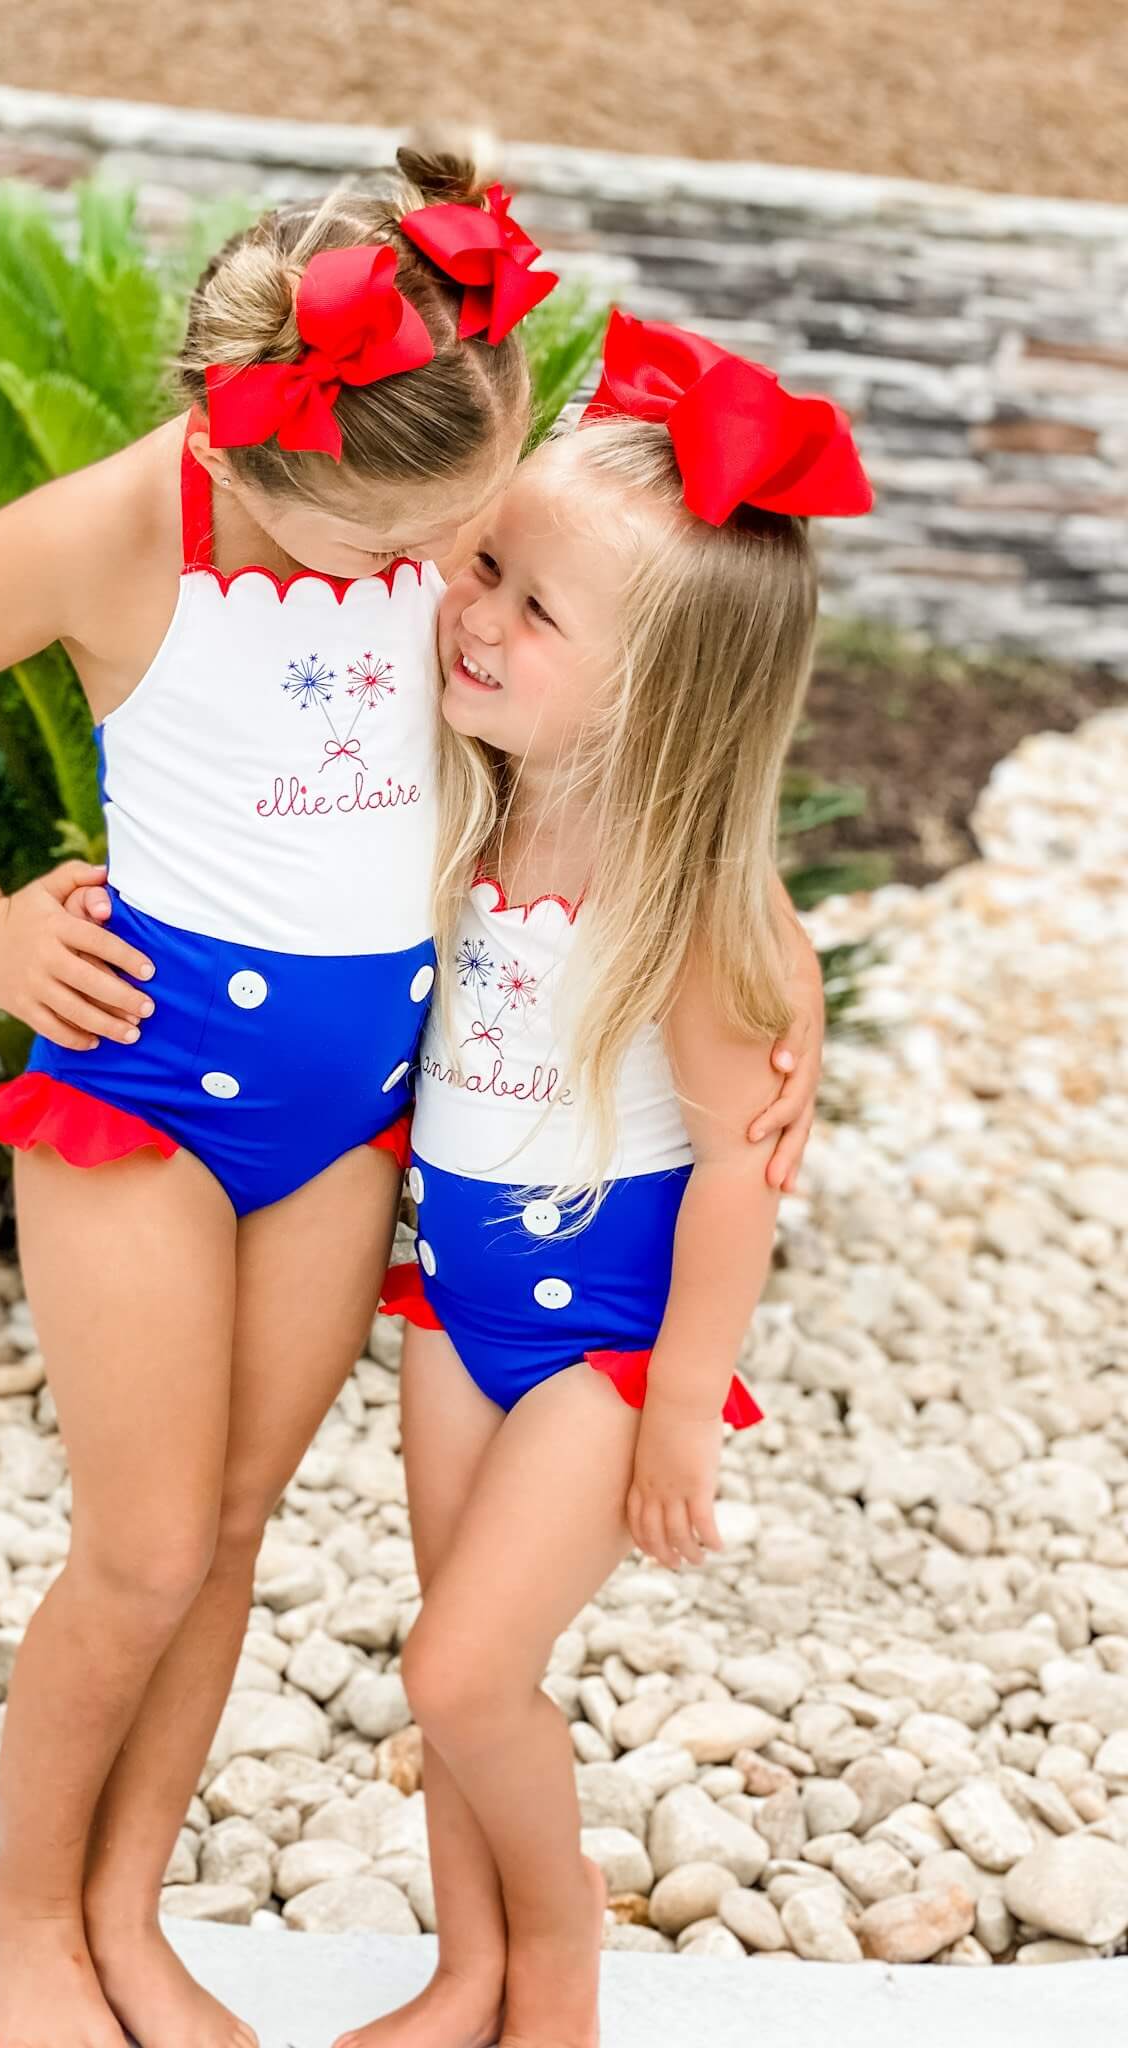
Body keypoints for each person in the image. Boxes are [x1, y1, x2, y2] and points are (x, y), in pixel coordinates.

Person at [0, 145, 816, 2048]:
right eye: (383, 558)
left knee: (242, 1525)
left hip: (347, 1125)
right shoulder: (109, 534)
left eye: (455, 548)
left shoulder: (436, 495)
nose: (420, 590)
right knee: (146, 1543)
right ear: (249, 451)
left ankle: (130, 1912)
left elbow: (666, 700)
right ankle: (30, 1922)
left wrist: (775, 996)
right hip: (148, 1099)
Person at [346, 310, 872, 2048]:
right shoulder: (467, 811)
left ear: (657, 690)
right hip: (454, 1306)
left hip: (602, 1348)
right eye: (481, 564)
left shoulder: (691, 917)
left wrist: (682, 1410)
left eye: (531, 604)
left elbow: (739, 1169)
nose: (474, 614)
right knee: (456, 1659)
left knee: (461, 1673)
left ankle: (558, 1976)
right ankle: (466, 1973)